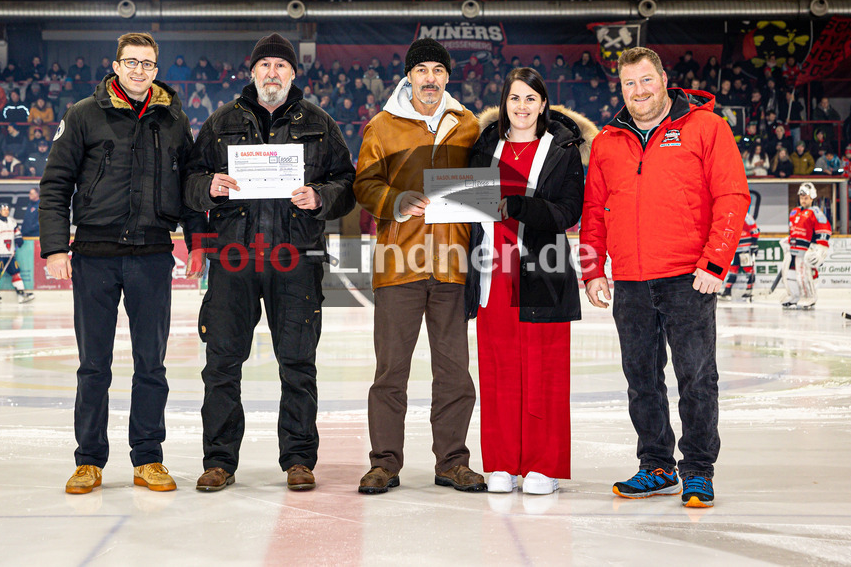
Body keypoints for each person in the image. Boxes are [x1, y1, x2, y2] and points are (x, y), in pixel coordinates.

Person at [182, 33, 354, 494]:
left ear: (293, 73)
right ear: (252, 71)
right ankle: (219, 461)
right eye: (265, 65)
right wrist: (208, 187)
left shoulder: (319, 122)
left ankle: (298, 459)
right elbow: (189, 181)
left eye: (281, 65)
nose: (272, 73)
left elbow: (346, 183)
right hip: (233, 258)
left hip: (295, 259)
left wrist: (321, 196)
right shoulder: (221, 122)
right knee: (222, 364)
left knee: (297, 363)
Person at [580, 46, 750, 509]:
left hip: (688, 278)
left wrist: (715, 261)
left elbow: (732, 194)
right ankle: (656, 465)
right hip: (631, 281)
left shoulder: (705, 127)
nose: (639, 91)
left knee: (696, 378)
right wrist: (593, 268)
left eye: (646, 80)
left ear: (663, 79)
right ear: (621, 88)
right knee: (641, 380)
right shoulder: (607, 141)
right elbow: (594, 209)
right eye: (629, 83)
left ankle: (697, 470)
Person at [39, 32, 206, 495]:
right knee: (94, 365)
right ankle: (88, 461)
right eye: (130, 62)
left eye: (147, 64)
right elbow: (56, 183)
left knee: (151, 364)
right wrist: (55, 247)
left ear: (156, 70)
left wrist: (198, 242)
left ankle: (148, 458)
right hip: (95, 255)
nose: (138, 70)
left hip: (152, 254)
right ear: (115, 66)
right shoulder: (82, 115)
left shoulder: (174, 119)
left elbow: (190, 187)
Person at [354, 37, 485, 495]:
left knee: (454, 373)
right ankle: (384, 463)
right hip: (398, 265)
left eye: (438, 70)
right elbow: (364, 184)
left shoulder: (468, 125)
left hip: (452, 266)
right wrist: (395, 199)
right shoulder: (382, 126)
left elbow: (482, 185)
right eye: (422, 70)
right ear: (409, 76)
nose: (430, 78)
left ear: (448, 77)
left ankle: (452, 462)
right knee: (391, 372)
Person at [464, 68, 592, 495]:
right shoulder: (485, 147)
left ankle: (543, 465)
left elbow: (568, 212)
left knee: (544, 372)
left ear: (543, 104)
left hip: (543, 272)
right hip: (492, 273)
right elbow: (467, 203)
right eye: (514, 98)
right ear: (504, 103)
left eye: (530, 98)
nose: (522, 106)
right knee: (498, 372)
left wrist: (521, 205)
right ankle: (501, 462)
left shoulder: (562, 150)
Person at [782, 182, 832, 309]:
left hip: (805, 251)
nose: (803, 200)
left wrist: (820, 248)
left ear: (812, 197)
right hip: (793, 250)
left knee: (804, 275)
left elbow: (824, 231)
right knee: (789, 275)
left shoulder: (815, 212)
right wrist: (788, 240)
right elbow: (793, 230)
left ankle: (809, 297)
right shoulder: (794, 211)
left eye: (806, 198)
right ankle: (794, 296)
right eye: (801, 197)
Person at [0, 202, 34, 304]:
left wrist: (19, 238)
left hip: (10, 254)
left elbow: (17, 232)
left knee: (16, 272)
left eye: (7, 209)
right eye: (4, 210)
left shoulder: (12, 221)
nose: (6, 211)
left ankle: (21, 294)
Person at [720, 212, 760, 301]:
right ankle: (727, 291)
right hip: (735, 248)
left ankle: (749, 291)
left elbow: (755, 230)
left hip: (745, 247)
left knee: (748, 269)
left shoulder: (746, 216)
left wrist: (754, 243)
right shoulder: (730, 215)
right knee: (733, 269)